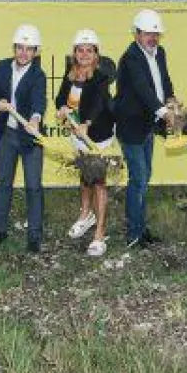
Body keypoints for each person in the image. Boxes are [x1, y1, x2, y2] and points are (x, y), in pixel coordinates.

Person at [114, 8, 176, 249]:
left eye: (156, 34)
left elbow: (164, 80)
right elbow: (142, 90)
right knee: (138, 178)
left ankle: (140, 229)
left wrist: (170, 98)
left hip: (148, 125)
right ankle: (133, 234)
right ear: (137, 34)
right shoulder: (130, 58)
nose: (153, 38)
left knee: (144, 176)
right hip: (131, 126)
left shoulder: (159, 53)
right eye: (148, 34)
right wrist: (164, 112)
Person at [0, 24, 48, 253]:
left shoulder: (38, 75)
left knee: (33, 186)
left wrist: (35, 119)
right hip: (6, 135)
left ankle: (34, 236)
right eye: (20, 47)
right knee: (4, 183)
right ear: (14, 48)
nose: (23, 53)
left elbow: (39, 100)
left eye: (29, 49)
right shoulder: (1, 67)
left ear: (35, 52)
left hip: (29, 138)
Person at [56, 29, 116, 257]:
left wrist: (87, 123)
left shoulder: (100, 77)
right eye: (80, 50)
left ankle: (99, 234)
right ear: (74, 53)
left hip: (97, 136)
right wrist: (62, 108)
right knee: (85, 178)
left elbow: (99, 104)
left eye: (89, 51)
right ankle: (85, 215)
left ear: (96, 55)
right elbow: (61, 97)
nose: (84, 55)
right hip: (77, 134)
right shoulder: (71, 74)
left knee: (99, 182)